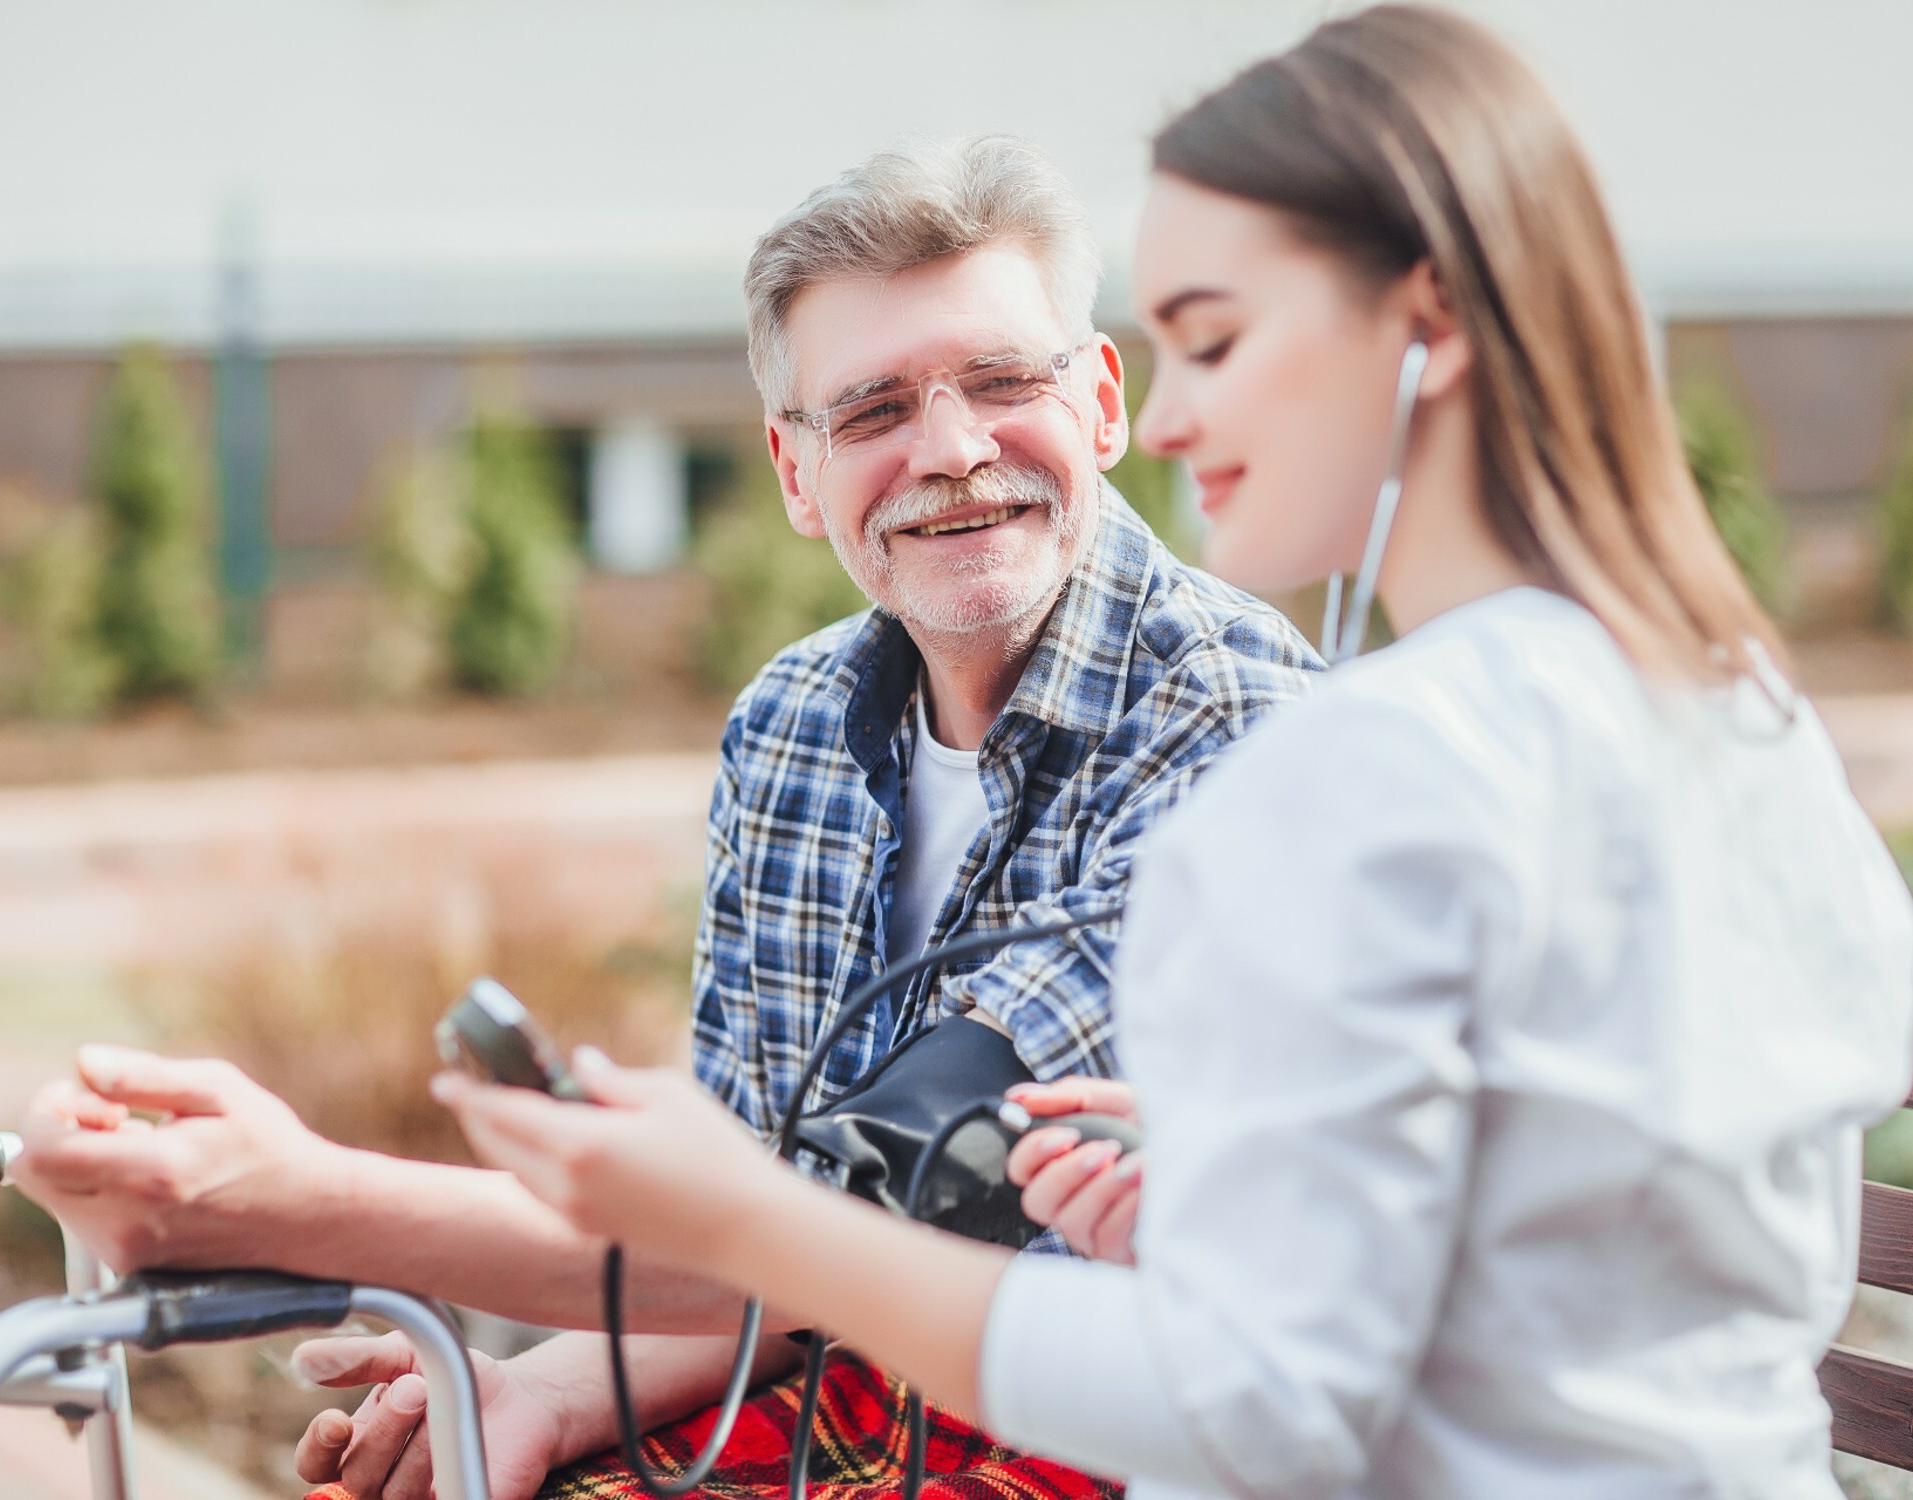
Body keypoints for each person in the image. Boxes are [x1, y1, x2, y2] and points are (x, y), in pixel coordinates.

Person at [433, 8, 1913, 1499]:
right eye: (877, 406)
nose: (1175, 411)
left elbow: (1263, 1407)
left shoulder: (1358, 761)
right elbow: (1603, 1249)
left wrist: (744, 1224)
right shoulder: (1730, 711)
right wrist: (1221, 1191)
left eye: (1210, 338)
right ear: (796, 465)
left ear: (1431, 326)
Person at [12, 137, 1317, 1499]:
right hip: (865, 1371)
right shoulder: (792, 725)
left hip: (1125, 1418)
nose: (953, 449)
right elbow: (762, 1230)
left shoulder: (1231, 714)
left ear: (1102, 400)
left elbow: (877, 1196)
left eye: (1001, 381)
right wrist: (544, 1395)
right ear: (794, 473)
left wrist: (300, 1201)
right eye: (872, 410)